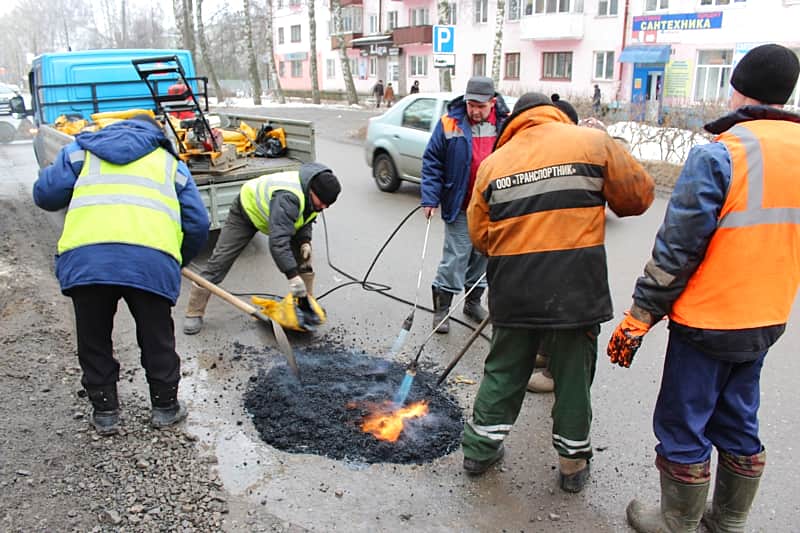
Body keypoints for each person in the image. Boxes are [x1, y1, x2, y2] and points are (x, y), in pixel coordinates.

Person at [607, 43, 800, 532]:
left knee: (683, 420)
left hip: (710, 320)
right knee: (738, 416)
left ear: (737, 89)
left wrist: (640, 317)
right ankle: (730, 519)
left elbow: (677, 250)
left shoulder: (721, 155)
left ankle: (678, 520)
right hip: (768, 317)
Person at [462, 92, 654, 493]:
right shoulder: (592, 144)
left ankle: (479, 450)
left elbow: (480, 237)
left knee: (503, 369)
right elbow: (637, 199)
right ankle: (571, 465)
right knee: (571, 376)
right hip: (575, 290)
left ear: (515, 121)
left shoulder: (494, 163)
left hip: (513, 288)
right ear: (559, 117)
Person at [32, 115, 210, 436]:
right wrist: (176, 258)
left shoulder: (79, 151)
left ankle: (105, 413)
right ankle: (165, 408)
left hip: (88, 261)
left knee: (94, 337)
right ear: (156, 133)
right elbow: (197, 222)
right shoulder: (170, 163)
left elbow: (45, 196)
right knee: (157, 336)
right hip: (150, 262)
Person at [183, 163, 341, 334]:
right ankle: (194, 312)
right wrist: (292, 277)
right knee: (220, 262)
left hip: (278, 215)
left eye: (328, 205)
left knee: (304, 259)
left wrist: (304, 240)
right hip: (247, 212)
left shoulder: (314, 197)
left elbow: (306, 216)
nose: (324, 207)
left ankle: (306, 307)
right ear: (312, 191)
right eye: (323, 202)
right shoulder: (289, 198)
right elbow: (278, 242)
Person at [420, 75, 510, 333]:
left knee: (484, 257)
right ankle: (441, 310)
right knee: (456, 256)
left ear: (492, 103)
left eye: (480, 106)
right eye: (471, 104)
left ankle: (472, 302)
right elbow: (432, 161)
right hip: (460, 204)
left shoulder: (506, 124)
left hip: (493, 206)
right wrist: (429, 197)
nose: (475, 110)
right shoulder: (450, 123)